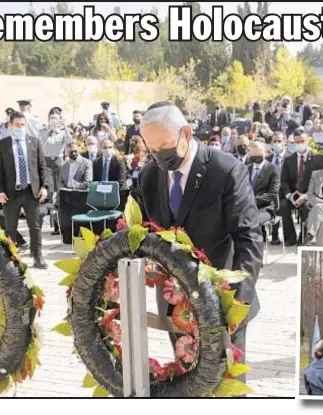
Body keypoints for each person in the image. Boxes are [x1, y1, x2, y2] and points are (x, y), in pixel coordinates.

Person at [135, 102, 262, 386]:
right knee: (187, 380)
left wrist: (238, 301)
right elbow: (140, 230)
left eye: (165, 146)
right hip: (175, 303)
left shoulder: (225, 171)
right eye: (152, 149)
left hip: (223, 300)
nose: (159, 155)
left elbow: (249, 238)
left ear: (187, 133)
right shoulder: (149, 175)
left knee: (225, 383)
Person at [0, 112, 50, 269]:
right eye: (17, 125)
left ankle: (37, 256)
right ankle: (10, 257)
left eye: (23, 125)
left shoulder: (34, 142)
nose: (20, 128)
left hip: (31, 191)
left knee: (35, 226)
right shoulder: (3, 144)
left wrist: (44, 187)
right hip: (11, 193)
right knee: (10, 227)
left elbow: (42, 167)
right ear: (11, 125)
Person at [278, 132, 323, 246]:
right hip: (293, 194)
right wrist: (289, 195)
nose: (299, 144)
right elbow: (284, 180)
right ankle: (290, 237)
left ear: (308, 141)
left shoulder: (317, 159)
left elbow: (320, 181)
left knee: (307, 206)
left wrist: (306, 196)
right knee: (283, 206)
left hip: (309, 194)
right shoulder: (289, 159)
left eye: (302, 141)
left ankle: (303, 237)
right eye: (297, 142)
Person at [247, 142, 280, 242]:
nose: (256, 157)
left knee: (251, 220)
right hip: (246, 207)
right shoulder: (245, 169)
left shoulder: (273, 169)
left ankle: (257, 242)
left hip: (266, 207)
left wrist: (252, 201)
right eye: (254, 154)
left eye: (259, 153)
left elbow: (272, 193)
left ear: (265, 153)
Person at [41, 106, 72, 202]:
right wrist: (48, 131)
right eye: (51, 118)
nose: (53, 120)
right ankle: (49, 207)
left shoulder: (62, 131)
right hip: (46, 161)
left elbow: (69, 142)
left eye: (56, 118)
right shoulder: (43, 130)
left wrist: (66, 127)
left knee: (59, 185)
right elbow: (40, 144)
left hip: (58, 161)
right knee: (49, 185)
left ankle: (58, 206)